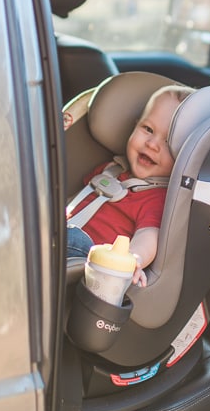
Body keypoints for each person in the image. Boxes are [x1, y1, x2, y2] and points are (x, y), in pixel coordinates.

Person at [66, 85, 194, 286]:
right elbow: (75, 201)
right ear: (135, 125)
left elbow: (149, 235)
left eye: (169, 142)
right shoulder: (110, 170)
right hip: (64, 241)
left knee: (71, 238)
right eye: (148, 129)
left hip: (90, 263)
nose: (152, 144)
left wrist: (134, 258)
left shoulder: (158, 198)